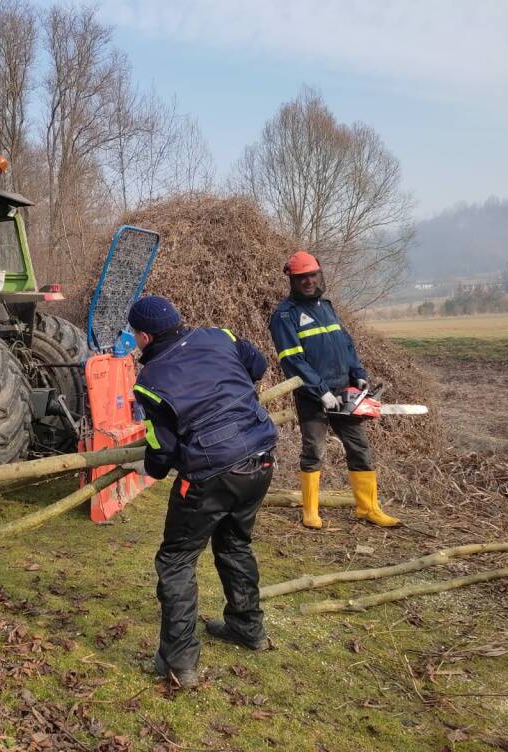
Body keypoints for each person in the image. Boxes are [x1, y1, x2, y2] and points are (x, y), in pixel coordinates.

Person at [128, 295, 278, 689]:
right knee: (235, 544)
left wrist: (146, 465)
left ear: (144, 337)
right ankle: (248, 628)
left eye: (134, 337)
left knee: (176, 561)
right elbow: (258, 365)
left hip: (211, 473)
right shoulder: (218, 336)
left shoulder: (150, 382)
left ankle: (178, 662)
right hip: (260, 458)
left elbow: (162, 452)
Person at [269, 251, 400, 530]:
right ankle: (310, 512)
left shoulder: (327, 307)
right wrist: (321, 391)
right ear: (292, 280)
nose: (308, 281)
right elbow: (292, 360)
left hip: (346, 392)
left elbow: (347, 345)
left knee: (359, 448)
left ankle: (367, 508)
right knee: (314, 450)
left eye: (312, 275)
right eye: (302, 277)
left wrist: (359, 375)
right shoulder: (285, 315)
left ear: (319, 275)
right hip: (312, 396)